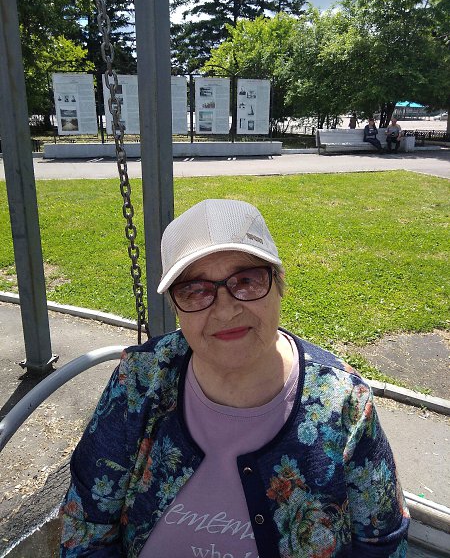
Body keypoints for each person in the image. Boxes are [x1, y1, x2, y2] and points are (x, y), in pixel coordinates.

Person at [60, 199, 409, 557]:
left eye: (246, 280)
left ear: (279, 285)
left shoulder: (344, 402)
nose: (226, 310)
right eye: (195, 289)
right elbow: (86, 526)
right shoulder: (139, 379)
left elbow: (382, 541)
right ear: (176, 307)